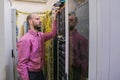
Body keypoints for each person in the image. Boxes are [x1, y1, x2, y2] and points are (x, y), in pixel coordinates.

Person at [17, 10, 59, 80]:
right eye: (37, 19)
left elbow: (53, 34)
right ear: (30, 22)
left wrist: (54, 18)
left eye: (39, 19)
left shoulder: (41, 36)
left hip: (40, 72)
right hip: (31, 74)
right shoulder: (25, 40)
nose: (40, 21)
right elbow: (21, 64)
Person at [69, 12, 88, 80]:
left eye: (71, 20)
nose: (69, 22)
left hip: (76, 71)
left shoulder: (82, 40)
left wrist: (83, 75)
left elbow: (84, 59)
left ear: (76, 22)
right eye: (68, 20)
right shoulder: (65, 38)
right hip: (67, 69)